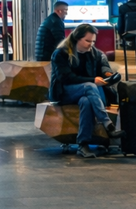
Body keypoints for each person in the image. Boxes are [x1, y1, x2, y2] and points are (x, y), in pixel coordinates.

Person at [49, 23, 124, 158]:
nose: (91, 44)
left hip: (85, 93)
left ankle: (83, 144)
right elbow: (66, 77)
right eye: (87, 41)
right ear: (77, 38)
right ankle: (108, 125)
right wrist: (92, 80)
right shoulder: (61, 53)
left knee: (86, 102)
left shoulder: (95, 53)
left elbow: (103, 65)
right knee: (90, 86)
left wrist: (108, 75)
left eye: (93, 41)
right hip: (64, 92)